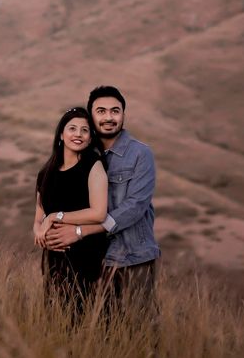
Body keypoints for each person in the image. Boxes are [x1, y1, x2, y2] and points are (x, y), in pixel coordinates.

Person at [45, 86, 161, 330]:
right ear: (92, 115)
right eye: (101, 111)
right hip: (94, 260)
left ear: (123, 115)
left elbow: (135, 207)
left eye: (115, 111)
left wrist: (80, 231)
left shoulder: (140, 154)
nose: (108, 117)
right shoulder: (85, 153)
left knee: (141, 330)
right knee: (105, 332)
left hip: (132, 256)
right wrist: (45, 225)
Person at [32, 106, 109, 318]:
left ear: (90, 137)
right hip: (53, 259)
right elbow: (39, 215)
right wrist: (39, 232)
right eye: (72, 128)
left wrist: (56, 217)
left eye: (85, 130)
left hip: (87, 256)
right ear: (61, 134)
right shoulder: (45, 173)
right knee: (56, 317)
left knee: (85, 316)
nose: (78, 134)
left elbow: (99, 212)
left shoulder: (93, 166)